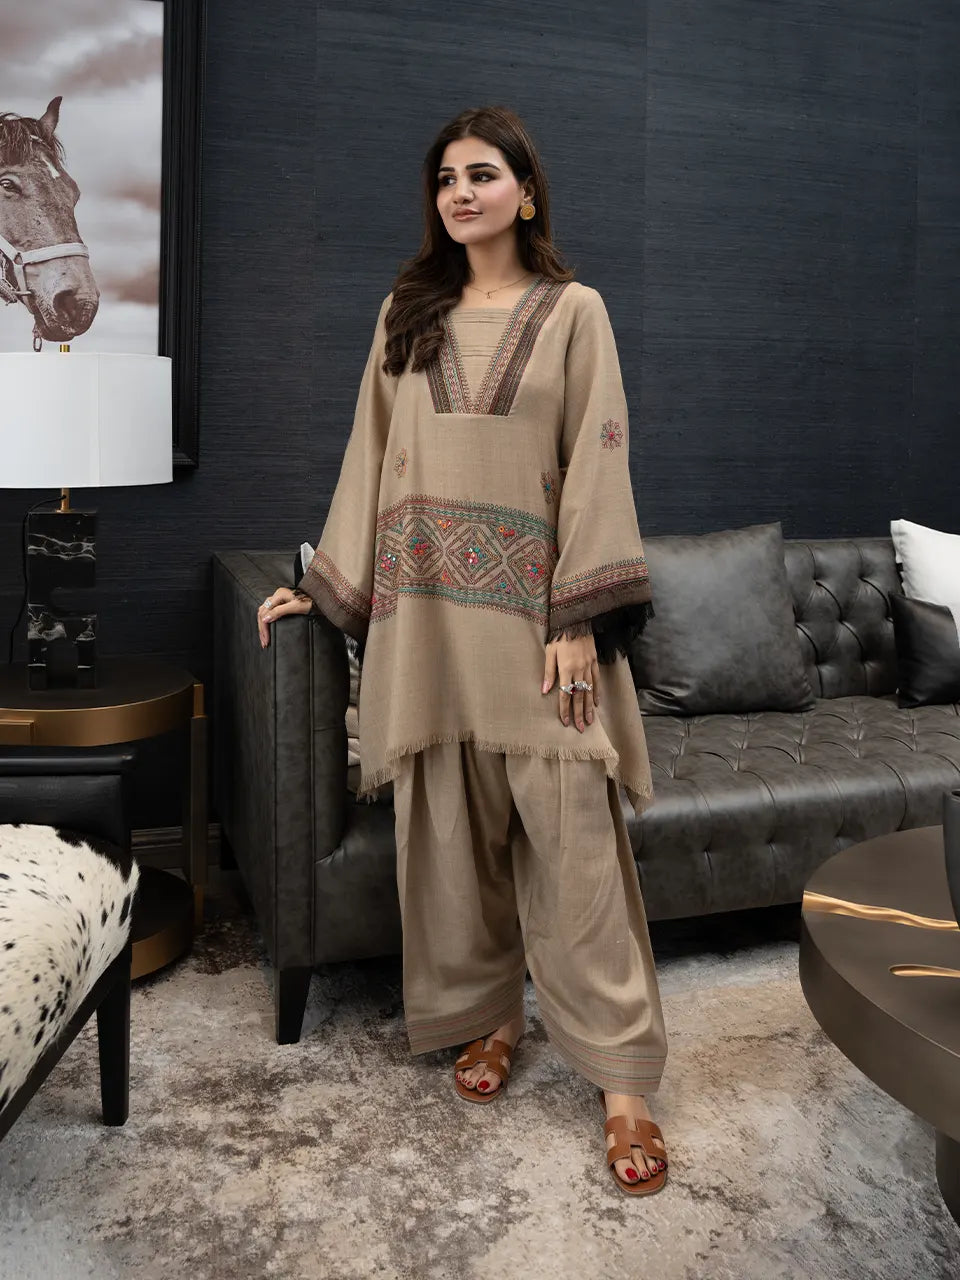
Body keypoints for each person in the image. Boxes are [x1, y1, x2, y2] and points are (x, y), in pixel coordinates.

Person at [257, 105, 669, 1195]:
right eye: (446, 178)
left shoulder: (576, 312)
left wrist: (576, 619)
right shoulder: (407, 312)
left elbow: (600, 460)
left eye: (482, 175)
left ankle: (623, 1079)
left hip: (539, 631)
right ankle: (492, 1017)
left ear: (526, 192)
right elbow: (370, 450)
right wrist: (321, 587)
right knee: (449, 841)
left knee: (578, 853)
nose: (461, 193)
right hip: (428, 619)